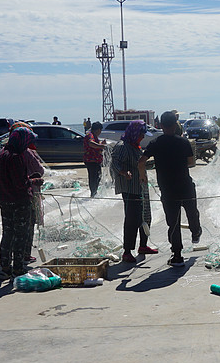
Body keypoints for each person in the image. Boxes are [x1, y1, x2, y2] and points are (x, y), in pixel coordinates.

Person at [139, 111, 202, 268]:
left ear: (160, 125)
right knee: (192, 212)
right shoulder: (184, 142)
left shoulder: (156, 143)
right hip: (185, 186)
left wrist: (143, 176)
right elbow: (191, 162)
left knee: (173, 222)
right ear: (176, 125)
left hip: (168, 189)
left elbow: (141, 162)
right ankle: (195, 232)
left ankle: (178, 256)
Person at [0, 127, 43, 280]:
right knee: (20, 234)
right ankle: (18, 269)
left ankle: (5, 268)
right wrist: (34, 180)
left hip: (3, 201)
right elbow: (20, 183)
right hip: (20, 201)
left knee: (7, 234)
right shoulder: (16, 157)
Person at [109, 120, 158, 266]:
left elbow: (139, 163)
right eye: (141, 134)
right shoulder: (122, 147)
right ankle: (127, 251)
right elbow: (114, 164)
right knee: (132, 219)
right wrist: (124, 172)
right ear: (135, 133)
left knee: (145, 215)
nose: (142, 137)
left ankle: (143, 245)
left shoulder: (135, 147)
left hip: (141, 186)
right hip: (130, 188)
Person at [83, 121, 107, 197]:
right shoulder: (89, 135)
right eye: (100, 130)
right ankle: (93, 193)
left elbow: (96, 143)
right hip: (91, 160)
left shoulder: (93, 135)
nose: (100, 132)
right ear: (98, 130)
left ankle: (94, 192)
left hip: (95, 160)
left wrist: (101, 143)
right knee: (93, 177)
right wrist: (101, 146)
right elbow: (91, 143)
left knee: (98, 176)